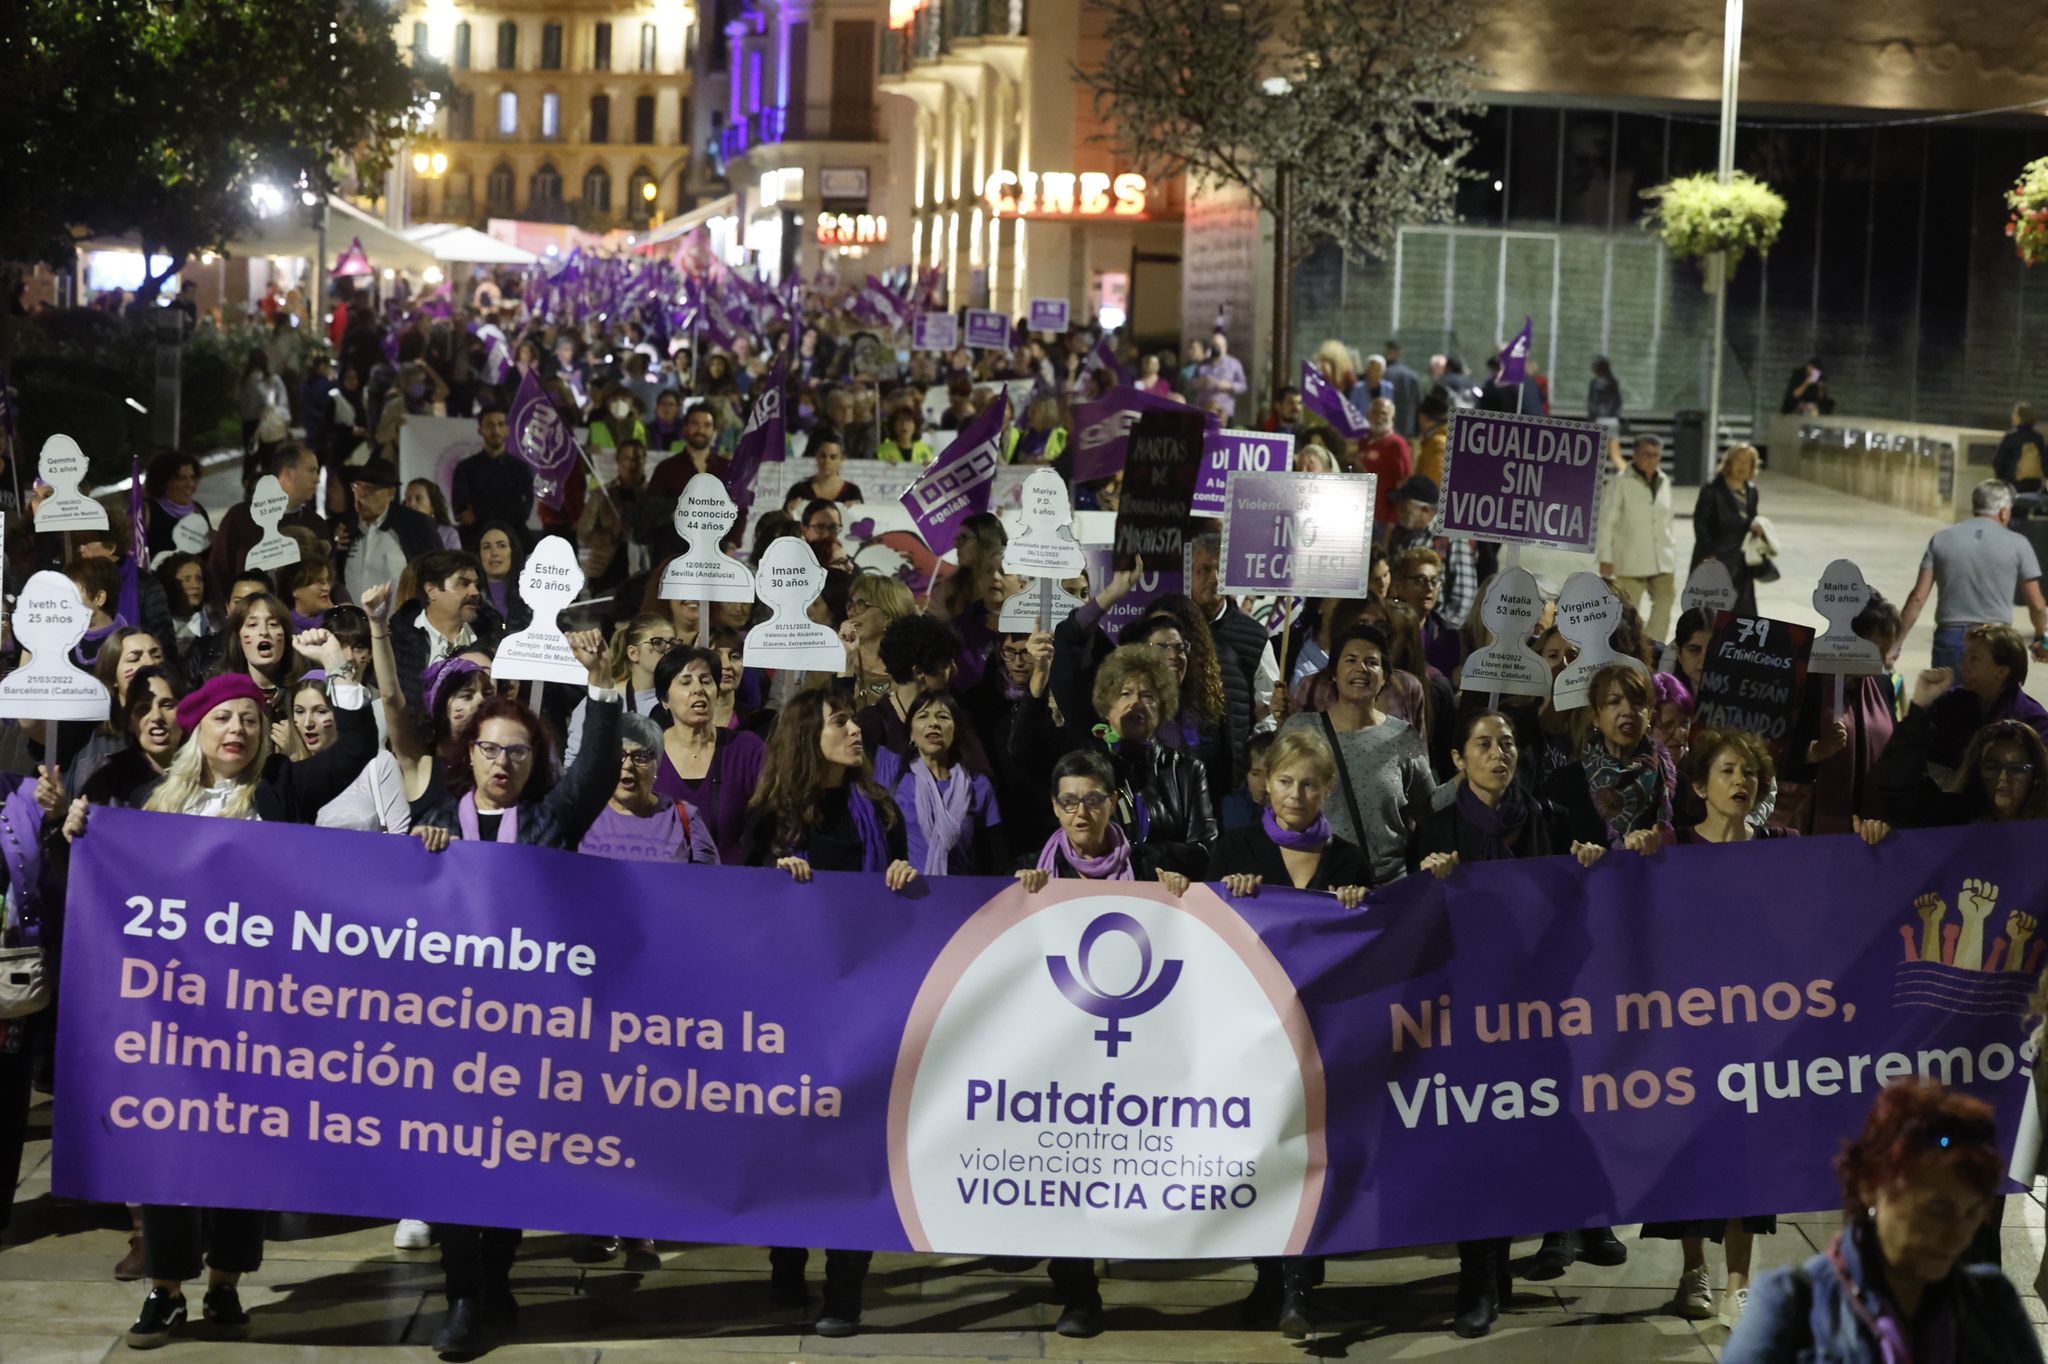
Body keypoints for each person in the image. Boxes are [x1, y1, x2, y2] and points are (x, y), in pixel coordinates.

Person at [85, 634, 373, 1349]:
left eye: (249, 718)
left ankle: (225, 1285)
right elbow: (109, 885)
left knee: (241, 1156)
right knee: (169, 1152)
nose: (238, 730)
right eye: (224, 719)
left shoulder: (281, 795)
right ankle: (166, 1289)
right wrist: (77, 828)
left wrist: (340, 667)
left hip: (258, 1019)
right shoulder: (153, 806)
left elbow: (357, 746)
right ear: (199, 731)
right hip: (171, 1016)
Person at [409, 631, 619, 1359]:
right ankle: (464, 1296)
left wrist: (601, 689)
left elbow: (593, 775)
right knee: (452, 1168)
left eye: (518, 752)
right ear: (466, 754)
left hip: (526, 1031)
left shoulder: (547, 823)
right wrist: (417, 860)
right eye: (491, 750)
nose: (503, 762)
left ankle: (495, 1280)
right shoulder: (436, 822)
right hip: (445, 1032)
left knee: (506, 1165)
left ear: (535, 764)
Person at [1409, 709, 1605, 1337]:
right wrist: (1424, 883)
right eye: (1484, 744)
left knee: (1527, 1143)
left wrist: (1590, 864)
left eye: (1509, 744)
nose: (1500, 754)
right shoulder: (1436, 829)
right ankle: (1479, 1280)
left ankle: (1511, 1258)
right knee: (1475, 1148)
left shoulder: (1549, 821)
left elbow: (1584, 919)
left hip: (1539, 1018)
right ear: (1459, 759)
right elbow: (1410, 929)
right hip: (1464, 1022)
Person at [743, 683, 917, 1339]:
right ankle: (787, 1261)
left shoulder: (881, 809)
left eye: (854, 721)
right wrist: (770, 882)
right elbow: (735, 911)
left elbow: (908, 908)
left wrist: (903, 882)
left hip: (865, 1006)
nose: (855, 731)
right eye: (840, 721)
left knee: (855, 1153)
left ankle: (844, 1291)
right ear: (804, 735)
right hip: (791, 1009)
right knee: (792, 1145)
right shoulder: (771, 818)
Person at [1210, 727, 1368, 1334]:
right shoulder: (1235, 849)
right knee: (1263, 1156)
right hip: (1256, 1034)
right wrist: (1228, 896)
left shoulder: (1350, 860)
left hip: (1326, 1036)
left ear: (1327, 789)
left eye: (1309, 783)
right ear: (1264, 785)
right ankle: (1273, 1277)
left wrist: (1361, 903)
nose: (1296, 794)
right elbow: (1209, 929)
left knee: (1314, 1157)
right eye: (1284, 781)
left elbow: (1375, 942)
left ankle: (1298, 1285)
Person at [1723, 1082, 2038, 1363]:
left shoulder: (1993, 1303)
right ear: (1871, 1187)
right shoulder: (1789, 1305)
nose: (1956, 1235)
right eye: (1936, 1211)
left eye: (1971, 1214)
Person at [1278, 624, 1438, 883]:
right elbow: (1276, 807)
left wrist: (1468, 778)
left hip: (1386, 891)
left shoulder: (1403, 736)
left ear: (1385, 675)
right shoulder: (1300, 728)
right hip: (1319, 887)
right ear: (1333, 673)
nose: (1360, 668)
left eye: (1371, 662)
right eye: (1350, 660)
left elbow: (1428, 808)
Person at [1897, 480, 2048, 672]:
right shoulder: (2019, 544)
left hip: (1950, 637)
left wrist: (1896, 643)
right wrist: (2042, 638)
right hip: (1996, 639)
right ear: (2003, 512)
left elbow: (1918, 597)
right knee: (1992, 701)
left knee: (1948, 700)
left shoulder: (1941, 539)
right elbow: (2037, 604)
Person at [652, 645, 768, 864]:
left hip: (732, 885)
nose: (699, 689)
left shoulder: (746, 749)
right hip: (663, 883)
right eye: (685, 682)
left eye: (706, 681)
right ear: (664, 700)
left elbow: (778, 815)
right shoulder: (646, 754)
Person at [1543, 662, 1674, 854]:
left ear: (1650, 716)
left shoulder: (1672, 783)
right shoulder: (1564, 783)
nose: (1627, 711)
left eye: (1637, 702)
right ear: (1596, 715)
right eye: (1614, 702)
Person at [883, 691, 1003, 875]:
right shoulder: (893, 774)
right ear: (911, 734)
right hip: (906, 892)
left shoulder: (979, 785)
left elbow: (994, 858)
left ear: (955, 731)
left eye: (943, 717)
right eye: (923, 716)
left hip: (962, 895)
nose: (934, 723)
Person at [578, 712, 718, 865]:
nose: (628, 765)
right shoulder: (580, 814)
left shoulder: (684, 816)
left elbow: (711, 883)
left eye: (641, 756)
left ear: (656, 766)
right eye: (618, 755)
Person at [280, 672, 409, 833]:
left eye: (320, 711)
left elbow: (402, 837)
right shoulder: (289, 777)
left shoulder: (378, 764)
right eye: (299, 711)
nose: (308, 723)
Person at [388, 549, 508, 716]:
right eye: (464, 583)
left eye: (476, 585)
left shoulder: (493, 640)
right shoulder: (396, 641)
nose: (475, 592)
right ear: (431, 590)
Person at [208, 444, 328, 590]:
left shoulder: (316, 524)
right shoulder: (239, 517)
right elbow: (217, 573)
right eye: (312, 471)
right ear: (289, 474)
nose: (318, 479)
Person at [1597, 434, 1678, 641]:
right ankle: (1632, 648)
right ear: (1635, 455)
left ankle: (1652, 645)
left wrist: (1671, 545)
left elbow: (1667, 519)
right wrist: (1606, 557)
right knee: (1629, 609)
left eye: (1656, 455)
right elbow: (1607, 521)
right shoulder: (1621, 482)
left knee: (1665, 601)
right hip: (1631, 558)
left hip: (1662, 558)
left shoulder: (1664, 481)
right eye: (1646, 454)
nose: (1651, 459)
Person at [339, 459, 444, 605]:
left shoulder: (415, 526)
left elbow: (437, 574)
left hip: (398, 622)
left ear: (390, 493)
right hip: (353, 623)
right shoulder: (344, 527)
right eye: (357, 488)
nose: (360, 496)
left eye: (369, 490)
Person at [1690, 443, 1765, 618]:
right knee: (1712, 613)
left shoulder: (1752, 492)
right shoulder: (1712, 490)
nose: (1743, 466)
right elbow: (1700, 524)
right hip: (1716, 557)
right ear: (1729, 463)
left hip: (1741, 561)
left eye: (1748, 462)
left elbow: (1751, 517)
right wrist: (1709, 553)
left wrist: (1756, 526)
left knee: (1742, 613)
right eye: (1739, 461)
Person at [450, 409, 534, 538]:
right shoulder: (465, 468)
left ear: (507, 429)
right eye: (490, 425)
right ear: (480, 430)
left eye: (501, 424)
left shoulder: (521, 468)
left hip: (514, 540)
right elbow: (462, 513)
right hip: (474, 540)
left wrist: (478, 511)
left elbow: (523, 511)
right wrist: (506, 506)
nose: (495, 430)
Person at [1358, 398, 1412, 535]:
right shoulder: (1364, 442)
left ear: (1392, 416)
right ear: (1369, 415)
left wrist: (1391, 524)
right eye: (1375, 413)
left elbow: (1404, 487)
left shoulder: (1397, 445)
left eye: (1384, 413)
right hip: (1360, 516)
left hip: (1382, 521)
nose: (1379, 417)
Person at [141, 451, 207, 560]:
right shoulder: (147, 512)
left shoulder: (198, 511)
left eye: (192, 477)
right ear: (163, 482)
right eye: (181, 479)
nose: (190, 484)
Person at [475, 523, 531, 631]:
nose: (494, 553)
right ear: (479, 555)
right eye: (486, 547)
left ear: (513, 552)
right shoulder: (471, 599)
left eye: (502, 546)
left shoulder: (533, 595)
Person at [787, 433, 863, 505]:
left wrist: (858, 510)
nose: (827, 461)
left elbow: (863, 518)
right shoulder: (799, 490)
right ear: (816, 456)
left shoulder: (852, 492)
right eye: (823, 456)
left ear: (842, 459)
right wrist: (789, 511)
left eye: (833, 457)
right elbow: (782, 518)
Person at [1221, 729, 1273, 830]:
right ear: (1246, 773)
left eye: (1269, 775)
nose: (1263, 782)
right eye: (1255, 774)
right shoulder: (1234, 805)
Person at [1993, 401, 2045, 503]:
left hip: (2013, 484)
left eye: (2015, 414)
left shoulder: (2010, 437)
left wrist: (2003, 481)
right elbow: (2044, 462)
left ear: (2019, 417)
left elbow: (1997, 462)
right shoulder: (2038, 438)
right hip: (2034, 484)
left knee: (2013, 513)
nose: (2013, 416)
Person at [1194, 329, 1248, 420]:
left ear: (1225, 348)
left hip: (1224, 413)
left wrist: (1229, 386)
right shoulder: (1202, 363)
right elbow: (1191, 383)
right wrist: (1202, 381)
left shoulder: (1234, 364)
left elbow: (1243, 386)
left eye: (1219, 346)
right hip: (1204, 410)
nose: (1216, 348)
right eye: (1214, 345)